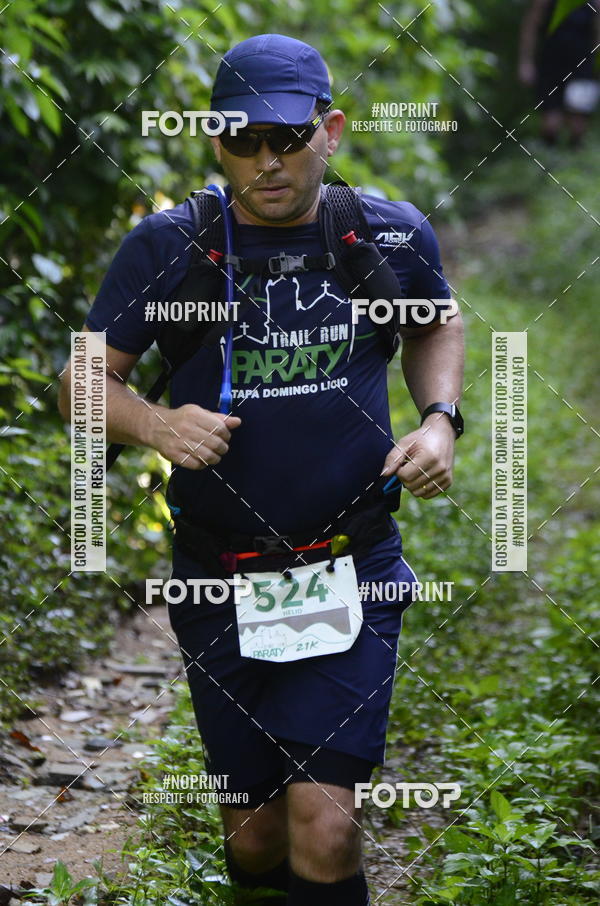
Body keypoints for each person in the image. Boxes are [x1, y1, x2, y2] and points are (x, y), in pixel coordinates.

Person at [58, 33, 464, 906]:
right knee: (254, 835)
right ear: (215, 139)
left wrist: (440, 421)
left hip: (349, 565)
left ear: (333, 129)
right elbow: (81, 383)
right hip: (220, 577)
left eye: (286, 137)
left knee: (325, 822)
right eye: (243, 141)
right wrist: (158, 424)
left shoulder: (383, 233)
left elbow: (436, 323)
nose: (266, 161)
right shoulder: (168, 247)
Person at [519, 0, 600, 147]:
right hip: (551, 62)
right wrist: (526, 62)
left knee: (578, 125)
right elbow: (531, 25)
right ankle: (549, 161)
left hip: (583, 64)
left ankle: (574, 161)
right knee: (551, 125)